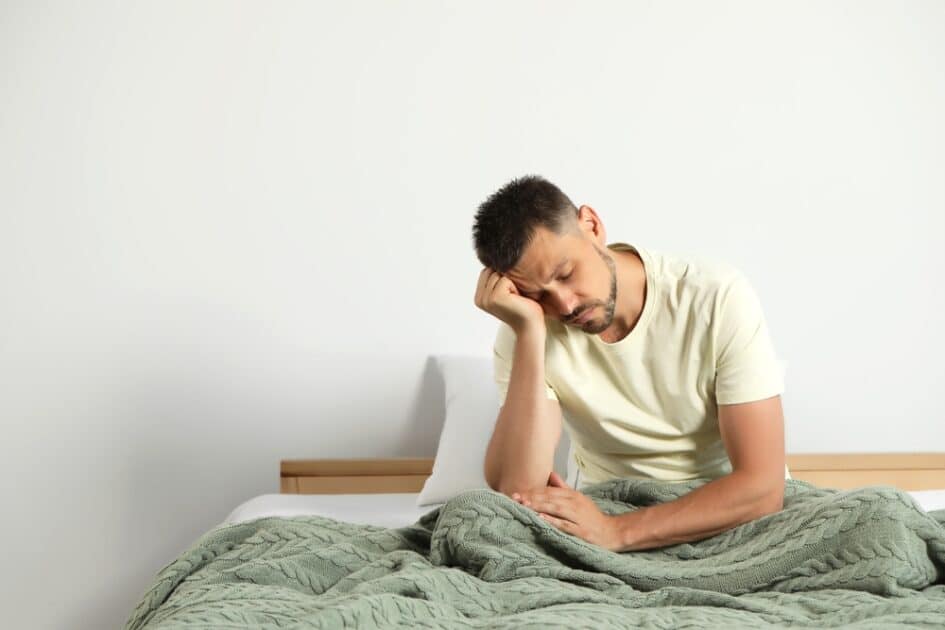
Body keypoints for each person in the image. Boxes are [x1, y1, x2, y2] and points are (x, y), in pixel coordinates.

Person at [472, 174, 789, 552]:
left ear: (591, 225)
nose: (565, 305)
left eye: (566, 274)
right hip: (608, 505)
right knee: (469, 520)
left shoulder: (715, 296)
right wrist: (528, 333)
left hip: (725, 513)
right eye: (538, 295)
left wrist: (617, 532)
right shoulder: (529, 329)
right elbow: (519, 487)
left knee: (876, 514)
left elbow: (763, 488)